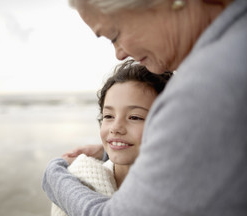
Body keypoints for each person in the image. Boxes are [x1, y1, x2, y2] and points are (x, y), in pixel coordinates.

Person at [42, 0, 247, 215]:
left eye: (114, 35)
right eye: (108, 116)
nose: (119, 54)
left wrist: (53, 174)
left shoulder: (208, 87)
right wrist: (111, 151)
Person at [51, 60, 172, 216]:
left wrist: (53, 170)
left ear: (169, 124)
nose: (115, 128)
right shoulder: (81, 177)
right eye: (108, 116)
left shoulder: (180, 192)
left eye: (135, 117)